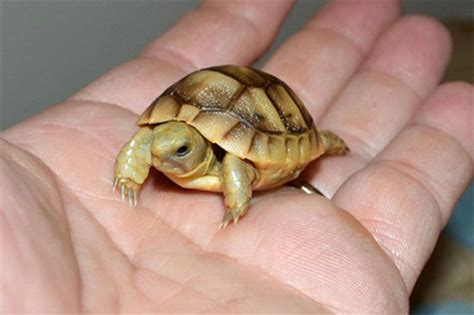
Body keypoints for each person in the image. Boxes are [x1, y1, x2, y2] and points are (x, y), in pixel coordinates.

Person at [1, 0, 472, 312]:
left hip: (272, 116)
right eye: (165, 144)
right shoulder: (163, 142)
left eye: (181, 149)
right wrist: (130, 169)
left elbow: (235, 162)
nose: (166, 155)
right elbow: (146, 141)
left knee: (312, 145)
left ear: (201, 149)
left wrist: (236, 201)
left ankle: (322, 139)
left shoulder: (226, 159)